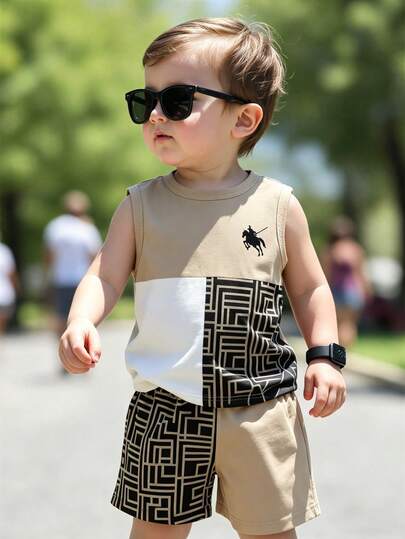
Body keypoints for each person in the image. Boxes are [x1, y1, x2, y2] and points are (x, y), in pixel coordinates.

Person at [58, 17, 348, 539]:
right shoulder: (140, 205)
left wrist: (325, 355)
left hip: (258, 404)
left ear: (244, 119)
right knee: (156, 531)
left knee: (270, 530)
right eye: (146, 102)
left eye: (177, 102)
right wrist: (81, 319)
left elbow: (310, 288)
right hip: (165, 404)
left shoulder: (278, 205)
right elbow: (104, 274)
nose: (155, 115)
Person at [43, 191, 102, 345]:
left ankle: (63, 348)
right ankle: (83, 348)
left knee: (60, 316)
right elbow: (95, 256)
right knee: (84, 316)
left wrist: (47, 276)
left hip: (60, 278)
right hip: (83, 279)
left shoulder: (55, 226)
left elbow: (49, 255)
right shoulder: (87, 228)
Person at [320, 216, 374, 348]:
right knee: (349, 324)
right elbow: (361, 273)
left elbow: (325, 274)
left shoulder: (329, 250)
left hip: (335, 291)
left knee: (339, 324)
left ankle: (341, 349)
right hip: (353, 291)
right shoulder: (356, 249)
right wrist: (367, 290)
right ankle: (347, 349)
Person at [0, 240, 18, 335]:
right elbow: (11, 273)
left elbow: (11, 273)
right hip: (4, 293)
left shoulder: (4, 251)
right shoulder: (5, 251)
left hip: (4, 292)